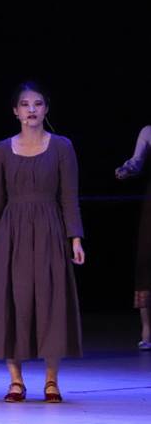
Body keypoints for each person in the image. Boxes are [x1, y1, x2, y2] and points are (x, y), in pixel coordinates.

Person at [0, 81, 85, 403]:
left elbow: (70, 197)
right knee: (11, 302)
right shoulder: (0, 150)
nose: (32, 109)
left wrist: (75, 238)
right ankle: (16, 381)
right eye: (25, 104)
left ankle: (51, 381)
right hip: (10, 233)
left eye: (37, 103)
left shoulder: (62, 147)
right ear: (15, 111)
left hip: (50, 230)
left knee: (51, 302)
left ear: (46, 108)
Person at [115, 125, 151, 350]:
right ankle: (147, 330)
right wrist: (126, 169)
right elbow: (136, 162)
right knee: (146, 261)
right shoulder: (148, 132)